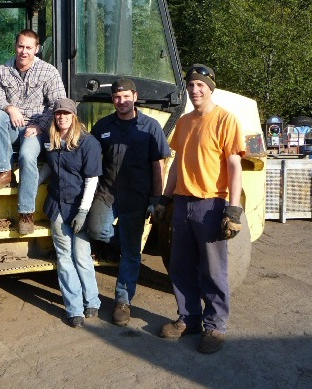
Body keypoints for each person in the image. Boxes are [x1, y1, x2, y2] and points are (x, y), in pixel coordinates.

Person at [156, 64, 245, 354]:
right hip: (183, 203)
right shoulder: (184, 122)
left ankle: (216, 327)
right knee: (181, 266)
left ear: (210, 88)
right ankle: (189, 318)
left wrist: (233, 209)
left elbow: (234, 166)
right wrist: (166, 197)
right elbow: (176, 166)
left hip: (211, 204)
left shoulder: (225, 120)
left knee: (213, 270)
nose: (195, 90)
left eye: (200, 86)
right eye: (191, 86)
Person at [87, 78, 171, 327]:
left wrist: (157, 199)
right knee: (97, 230)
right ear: (112, 99)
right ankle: (121, 245)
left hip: (136, 196)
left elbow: (159, 165)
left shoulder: (150, 127)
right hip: (107, 192)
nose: (121, 101)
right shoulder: (103, 126)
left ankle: (123, 302)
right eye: (116, 97)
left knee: (132, 254)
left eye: (125, 97)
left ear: (135, 96)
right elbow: (89, 156)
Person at [0, 29, 66, 235]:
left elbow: (58, 104)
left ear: (37, 49)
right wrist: (9, 108)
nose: (23, 51)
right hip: (12, 126)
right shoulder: (2, 70)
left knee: (28, 156)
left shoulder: (49, 72)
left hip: (36, 129)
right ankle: (4, 171)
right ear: (15, 46)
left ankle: (26, 213)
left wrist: (41, 126)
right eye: (20, 46)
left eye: (29, 47)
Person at [40, 98, 103, 328]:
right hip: (57, 206)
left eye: (66, 113)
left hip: (78, 207)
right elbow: (49, 167)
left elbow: (92, 180)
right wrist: (31, 182)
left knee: (81, 256)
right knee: (64, 259)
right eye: (58, 114)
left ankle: (92, 301)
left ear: (74, 116)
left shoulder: (88, 143)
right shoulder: (52, 140)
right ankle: (74, 308)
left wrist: (84, 211)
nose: (61, 117)